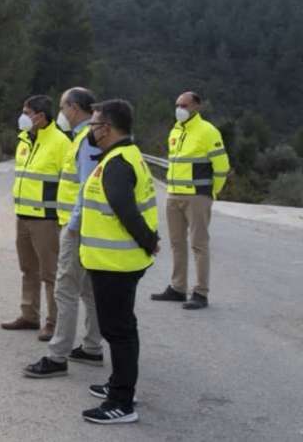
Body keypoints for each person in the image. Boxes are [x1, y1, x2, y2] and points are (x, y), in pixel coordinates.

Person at [79, 99, 160, 424]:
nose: (91, 130)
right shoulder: (125, 155)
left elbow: (126, 211)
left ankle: (121, 402)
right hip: (117, 261)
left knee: (119, 331)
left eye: (93, 125)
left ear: (107, 128)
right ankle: (120, 384)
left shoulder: (117, 164)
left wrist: (149, 242)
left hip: (116, 263)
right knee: (123, 327)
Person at [23, 87, 104, 378]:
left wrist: (72, 225)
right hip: (83, 223)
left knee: (66, 289)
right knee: (87, 289)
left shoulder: (85, 140)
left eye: (62, 106)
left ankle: (57, 356)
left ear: (73, 108)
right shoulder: (85, 138)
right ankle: (92, 347)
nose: (61, 112)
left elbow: (86, 187)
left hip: (77, 224)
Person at [151, 91, 230, 310]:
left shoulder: (207, 131)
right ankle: (178, 289)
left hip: (197, 196)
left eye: (184, 105)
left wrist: (211, 193)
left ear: (197, 106)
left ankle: (200, 293)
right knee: (176, 244)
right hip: (174, 194)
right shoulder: (175, 130)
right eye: (177, 104)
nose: (179, 109)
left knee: (199, 245)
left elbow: (222, 166)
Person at [1, 95, 70, 342]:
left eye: (27, 112)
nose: (23, 116)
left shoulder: (60, 142)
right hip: (23, 216)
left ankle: (53, 323)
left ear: (40, 116)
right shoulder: (24, 140)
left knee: (50, 273)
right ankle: (29, 315)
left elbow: (69, 182)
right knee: (28, 268)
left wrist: (63, 218)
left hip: (47, 219)